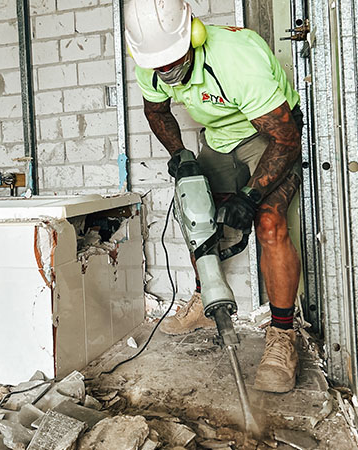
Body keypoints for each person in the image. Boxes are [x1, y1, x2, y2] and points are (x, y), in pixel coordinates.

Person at [125, 0, 304, 393]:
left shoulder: (237, 58)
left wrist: (251, 196)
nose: (166, 72)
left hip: (270, 136)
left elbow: (286, 138)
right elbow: (157, 113)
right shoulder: (152, 60)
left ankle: (283, 336)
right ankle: (206, 302)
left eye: (173, 61)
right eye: (159, 65)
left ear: (194, 34)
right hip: (220, 139)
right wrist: (182, 157)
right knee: (197, 210)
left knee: (270, 224)